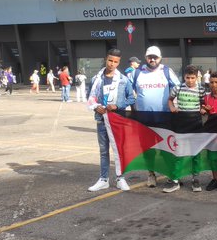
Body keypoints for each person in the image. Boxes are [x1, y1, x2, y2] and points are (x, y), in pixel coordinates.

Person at [131, 46, 181, 188]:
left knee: (166, 149)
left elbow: (178, 88)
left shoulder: (166, 71)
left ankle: (171, 174)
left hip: (164, 119)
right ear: (145, 58)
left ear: (160, 58)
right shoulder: (137, 72)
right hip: (144, 120)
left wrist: (173, 104)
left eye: (155, 57)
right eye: (149, 57)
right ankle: (151, 174)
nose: (152, 59)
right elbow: (129, 91)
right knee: (148, 149)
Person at [87, 48, 136, 192]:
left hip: (117, 120)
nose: (112, 64)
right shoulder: (96, 79)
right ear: (105, 59)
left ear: (119, 62)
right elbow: (90, 96)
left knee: (119, 150)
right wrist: (96, 107)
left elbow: (132, 98)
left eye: (115, 62)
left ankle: (120, 178)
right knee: (103, 151)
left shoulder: (123, 80)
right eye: (110, 60)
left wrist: (117, 105)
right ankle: (103, 179)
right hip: (102, 120)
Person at [164, 64, 208, 193]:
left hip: (196, 124)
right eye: (188, 77)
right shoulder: (178, 88)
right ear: (184, 77)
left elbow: (204, 104)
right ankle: (176, 180)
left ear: (197, 78)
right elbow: (170, 100)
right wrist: (172, 107)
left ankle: (196, 179)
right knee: (179, 153)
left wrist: (203, 109)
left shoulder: (201, 89)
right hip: (181, 125)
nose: (190, 80)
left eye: (192, 78)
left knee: (196, 153)